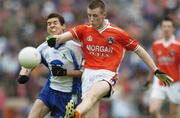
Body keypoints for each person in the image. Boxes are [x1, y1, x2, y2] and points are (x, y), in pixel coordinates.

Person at [46, 1, 173, 118]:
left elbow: (139, 50)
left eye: (95, 15)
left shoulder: (117, 33)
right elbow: (62, 38)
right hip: (87, 75)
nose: (91, 19)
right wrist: (53, 39)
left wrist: (155, 70)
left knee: (92, 95)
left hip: (106, 74)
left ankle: (74, 114)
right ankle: (77, 113)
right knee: (91, 111)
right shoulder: (84, 29)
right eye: (89, 15)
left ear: (104, 14)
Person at [17, 13, 83, 118]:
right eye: (49, 24)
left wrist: (64, 72)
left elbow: (85, 73)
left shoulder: (76, 48)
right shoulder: (43, 47)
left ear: (63, 26)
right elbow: (30, 62)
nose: (51, 25)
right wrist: (23, 75)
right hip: (49, 91)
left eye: (55, 23)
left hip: (69, 96)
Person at [146, 17, 180, 118]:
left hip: (175, 83)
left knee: (173, 113)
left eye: (169, 26)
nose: (166, 29)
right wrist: (149, 80)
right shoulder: (156, 45)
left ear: (173, 28)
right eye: (164, 26)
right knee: (152, 110)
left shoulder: (178, 45)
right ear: (161, 28)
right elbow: (154, 64)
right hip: (160, 82)